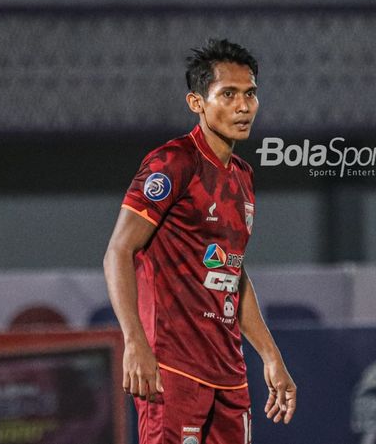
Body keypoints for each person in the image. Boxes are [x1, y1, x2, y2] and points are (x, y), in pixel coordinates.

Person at [104, 38, 297, 444]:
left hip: (229, 375)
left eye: (250, 95)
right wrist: (135, 341)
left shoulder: (242, 176)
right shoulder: (173, 162)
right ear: (197, 102)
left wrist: (271, 356)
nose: (243, 107)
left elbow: (232, 272)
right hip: (172, 369)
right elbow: (119, 251)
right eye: (228, 94)